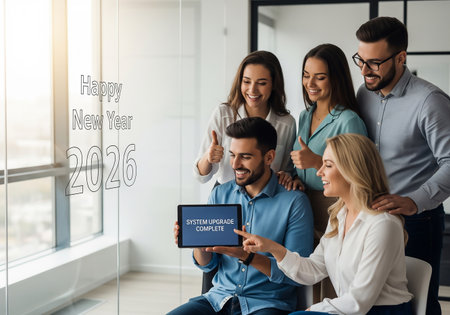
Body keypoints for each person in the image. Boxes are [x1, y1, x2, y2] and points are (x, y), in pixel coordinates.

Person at [236, 133, 413, 315]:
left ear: (352, 170)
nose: (319, 172)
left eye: (328, 165)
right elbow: (312, 271)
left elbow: (359, 302)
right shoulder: (340, 216)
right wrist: (273, 248)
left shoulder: (383, 224)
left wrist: (314, 309)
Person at [354, 16, 450, 315]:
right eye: (360, 60)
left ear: (401, 57)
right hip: (369, 217)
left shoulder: (429, 101)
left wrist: (414, 201)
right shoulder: (362, 95)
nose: (365, 70)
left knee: (419, 303)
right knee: (375, 301)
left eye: (374, 63)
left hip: (416, 221)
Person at [170, 117, 314, 315]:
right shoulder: (220, 194)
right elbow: (208, 264)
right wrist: (196, 240)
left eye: (245, 157)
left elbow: (298, 273)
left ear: (269, 157)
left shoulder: (294, 203)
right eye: (232, 155)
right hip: (217, 299)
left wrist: (246, 256)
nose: (235, 164)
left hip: (266, 305)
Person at [289, 43, 367, 302]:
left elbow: (359, 175)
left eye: (319, 77)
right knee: (306, 276)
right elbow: (296, 161)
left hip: (335, 205)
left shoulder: (349, 120)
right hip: (303, 204)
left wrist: (316, 161)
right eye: (306, 75)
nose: (310, 83)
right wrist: (291, 176)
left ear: (336, 78)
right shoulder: (304, 115)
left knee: (333, 278)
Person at [193, 50, 296, 186]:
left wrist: (285, 176)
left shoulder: (287, 123)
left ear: (274, 85)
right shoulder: (223, 114)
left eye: (262, 83)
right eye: (247, 81)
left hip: (267, 200)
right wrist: (208, 157)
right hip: (227, 197)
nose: (252, 90)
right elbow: (201, 177)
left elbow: (287, 171)